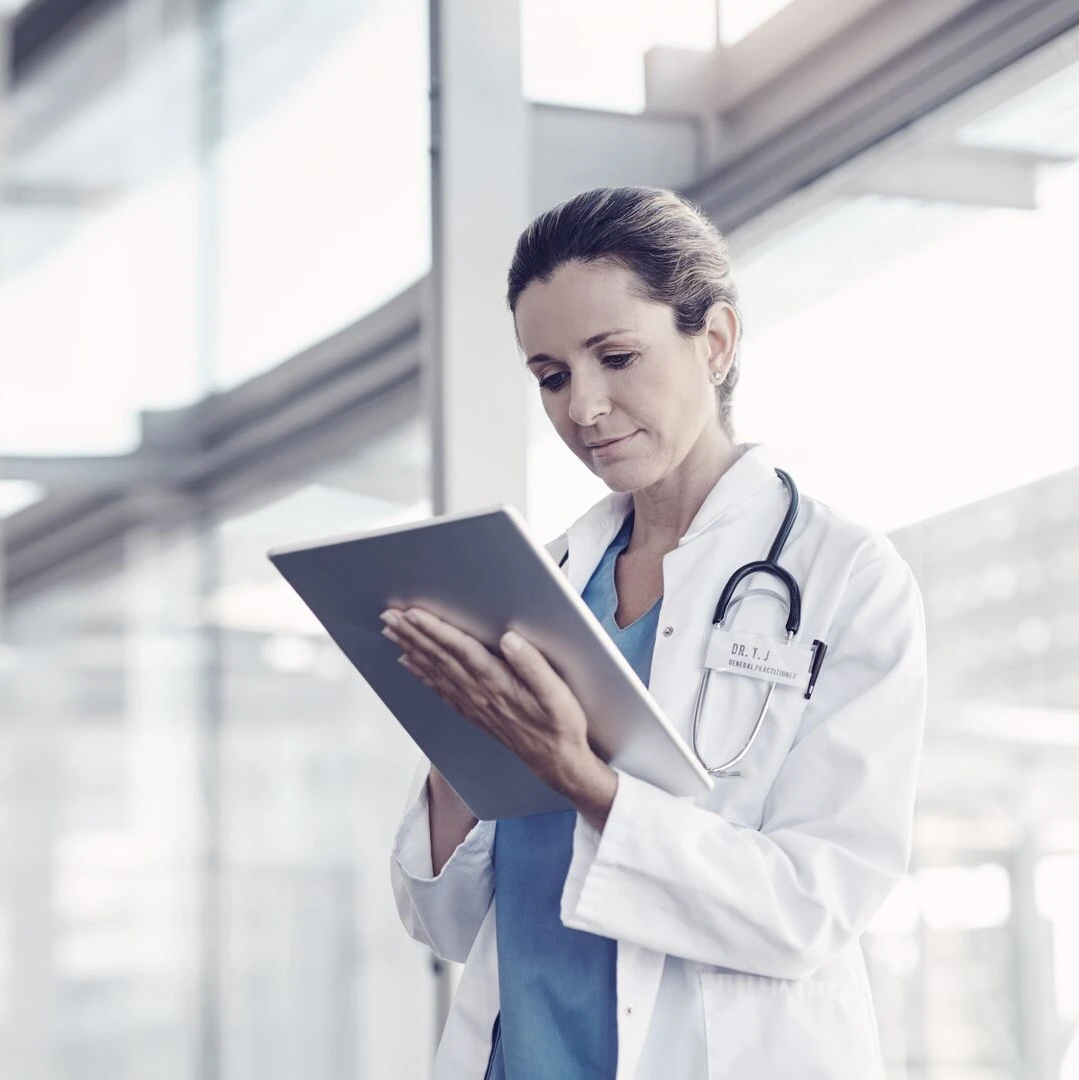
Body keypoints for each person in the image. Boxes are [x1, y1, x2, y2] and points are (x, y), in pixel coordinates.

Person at [383, 186, 926, 1080]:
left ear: (714, 341)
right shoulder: (542, 581)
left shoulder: (846, 579)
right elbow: (440, 922)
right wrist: (457, 734)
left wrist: (584, 781)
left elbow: (810, 909)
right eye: (552, 377)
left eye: (617, 356)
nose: (584, 409)